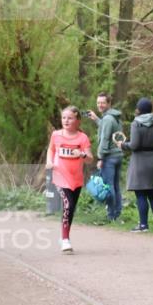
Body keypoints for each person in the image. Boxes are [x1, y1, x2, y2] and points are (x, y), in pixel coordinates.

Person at [45, 106, 94, 253]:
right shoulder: (56, 135)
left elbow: (90, 159)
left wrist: (82, 154)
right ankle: (65, 239)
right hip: (60, 176)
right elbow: (51, 149)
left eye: (70, 118)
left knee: (71, 208)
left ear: (77, 120)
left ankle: (64, 236)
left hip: (76, 179)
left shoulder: (82, 138)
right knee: (68, 204)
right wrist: (49, 161)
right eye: (64, 118)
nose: (66, 121)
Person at [120, 97, 153, 232]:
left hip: (139, 162)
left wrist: (122, 145)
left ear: (139, 110)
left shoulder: (136, 124)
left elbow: (134, 145)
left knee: (140, 195)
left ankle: (143, 225)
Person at [87, 92, 124, 222]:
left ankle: (112, 214)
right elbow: (108, 129)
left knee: (109, 186)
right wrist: (97, 119)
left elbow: (105, 139)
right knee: (115, 185)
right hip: (118, 155)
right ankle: (117, 211)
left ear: (109, 103)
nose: (100, 105)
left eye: (103, 102)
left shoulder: (108, 119)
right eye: (98, 103)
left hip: (110, 157)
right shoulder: (113, 117)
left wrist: (100, 158)